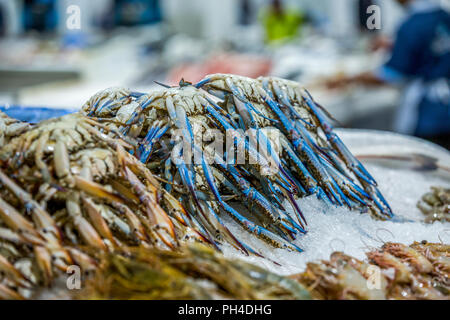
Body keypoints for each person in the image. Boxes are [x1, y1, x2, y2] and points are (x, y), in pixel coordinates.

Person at [328, 0, 450, 147]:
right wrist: (395, 43)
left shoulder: (412, 25)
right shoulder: (442, 16)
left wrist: (350, 78)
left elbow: (393, 74)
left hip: (429, 113)